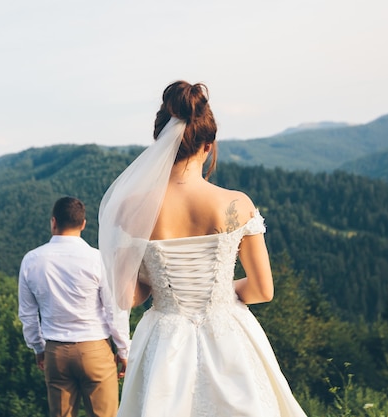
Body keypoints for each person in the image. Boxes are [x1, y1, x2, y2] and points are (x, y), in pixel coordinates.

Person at [98, 81, 308, 416]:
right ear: (208, 145)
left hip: (165, 338)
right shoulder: (237, 204)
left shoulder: (131, 211)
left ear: (160, 142)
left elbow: (127, 298)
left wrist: (159, 281)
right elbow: (262, 290)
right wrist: (221, 292)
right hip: (228, 334)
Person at [18, 196, 130, 417]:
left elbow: (28, 314)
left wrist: (38, 348)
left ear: (53, 222)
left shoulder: (32, 260)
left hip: (56, 352)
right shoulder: (97, 258)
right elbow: (113, 310)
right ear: (83, 224)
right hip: (95, 351)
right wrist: (123, 349)